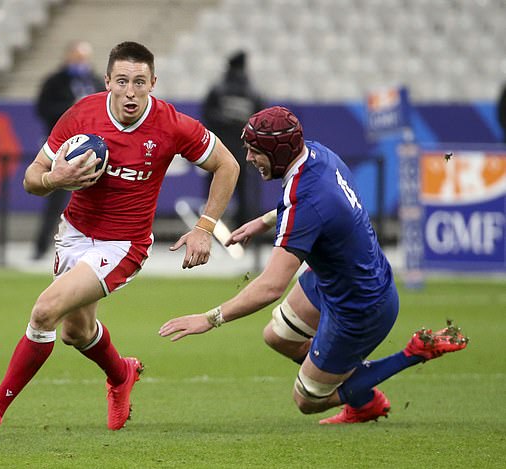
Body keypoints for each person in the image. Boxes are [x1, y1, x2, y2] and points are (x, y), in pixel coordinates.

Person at [0, 41, 240, 436]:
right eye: (122, 80)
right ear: (107, 81)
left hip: (123, 245)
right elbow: (32, 177)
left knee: (44, 311)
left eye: (140, 82)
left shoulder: (170, 124)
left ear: (153, 83)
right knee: (76, 332)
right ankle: (121, 373)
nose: (131, 91)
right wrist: (55, 179)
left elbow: (227, 163)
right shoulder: (82, 114)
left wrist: (205, 228)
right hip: (74, 234)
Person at [159, 106, 468, 424]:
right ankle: (351, 386)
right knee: (277, 336)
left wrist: (210, 319)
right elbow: (316, 208)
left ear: (278, 151)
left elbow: (271, 287)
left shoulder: (307, 201)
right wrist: (265, 221)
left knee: (307, 400)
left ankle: (412, 354)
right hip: (334, 279)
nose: (249, 159)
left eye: (255, 152)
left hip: (359, 306)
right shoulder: (317, 154)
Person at [32, 40, 106, 260]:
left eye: (84, 58)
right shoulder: (55, 82)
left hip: (93, 149)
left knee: (98, 198)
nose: (81, 62)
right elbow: (43, 109)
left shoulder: (94, 80)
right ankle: (40, 247)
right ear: (68, 57)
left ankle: (96, 247)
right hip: (63, 148)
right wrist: (71, 107)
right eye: (77, 57)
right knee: (55, 198)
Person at [202, 51, 264, 228]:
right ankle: (242, 234)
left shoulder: (218, 89)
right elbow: (261, 122)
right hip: (243, 151)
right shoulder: (253, 92)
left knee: (213, 191)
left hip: (217, 150)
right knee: (243, 193)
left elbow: (206, 117)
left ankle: (209, 229)